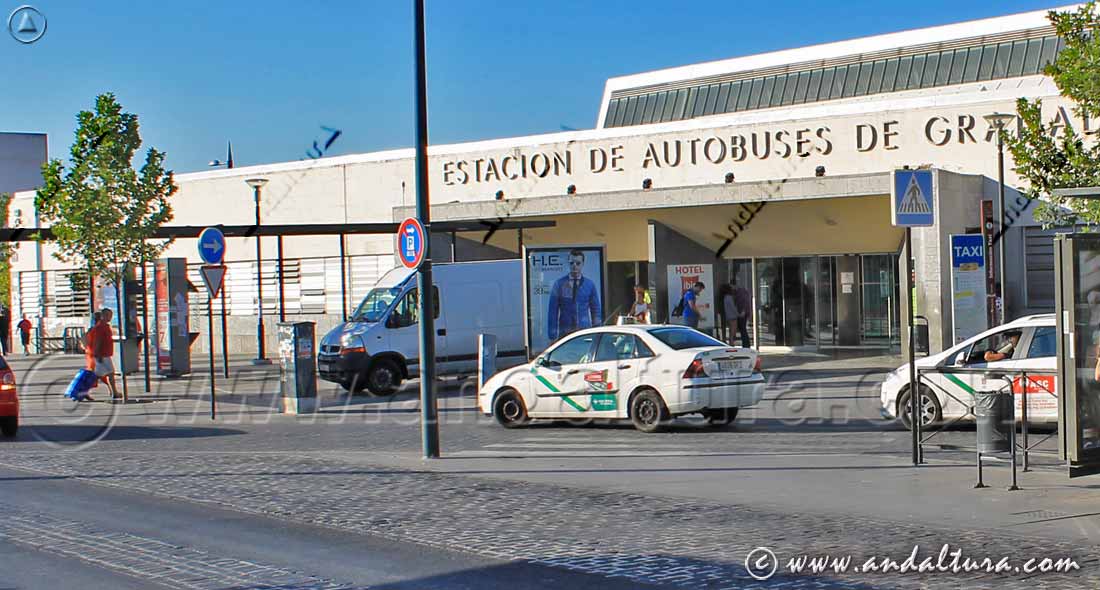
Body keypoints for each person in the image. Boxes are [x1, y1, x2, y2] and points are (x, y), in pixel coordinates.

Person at [546, 249, 601, 341]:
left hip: (584, 332)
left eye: (578, 263)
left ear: (583, 264)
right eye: (571, 263)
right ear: (568, 263)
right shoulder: (559, 284)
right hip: (565, 333)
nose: (574, 266)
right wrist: (552, 335)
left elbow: (596, 310)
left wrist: (597, 332)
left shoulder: (589, 285)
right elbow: (553, 311)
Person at [90, 308, 119, 399]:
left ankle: (114, 392)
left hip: (104, 354)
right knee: (108, 374)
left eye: (110, 315)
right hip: (102, 354)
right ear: (102, 316)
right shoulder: (101, 327)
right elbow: (98, 341)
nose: (109, 317)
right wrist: (98, 354)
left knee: (100, 375)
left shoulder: (105, 326)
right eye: (107, 315)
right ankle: (114, 392)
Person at [732, 278, 752, 348]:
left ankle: (746, 344)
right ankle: (746, 344)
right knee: (742, 329)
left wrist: (743, 311)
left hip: (743, 313)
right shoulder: (737, 292)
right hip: (741, 313)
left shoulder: (741, 292)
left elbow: (745, 302)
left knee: (743, 329)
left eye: (732, 286)